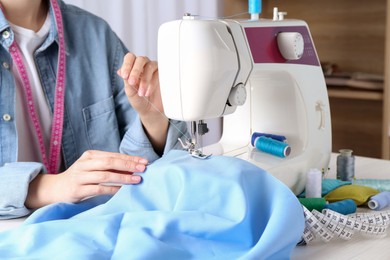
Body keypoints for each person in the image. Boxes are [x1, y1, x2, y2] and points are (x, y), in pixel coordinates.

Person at [0, 0, 187, 219]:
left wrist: (153, 118)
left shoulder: (95, 34)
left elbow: (141, 174)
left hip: (95, 228)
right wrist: (48, 187)